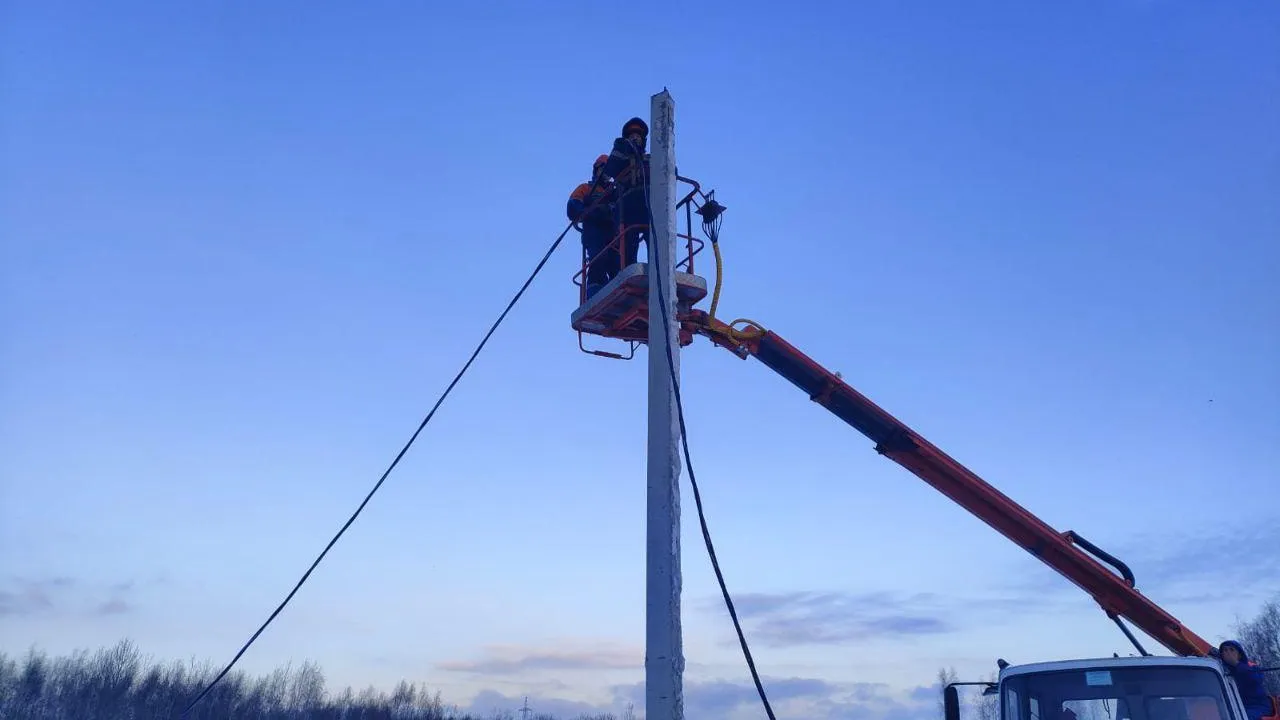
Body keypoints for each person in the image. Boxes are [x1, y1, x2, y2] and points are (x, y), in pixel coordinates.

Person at [600, 116, 650, 272]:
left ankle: (660, 265)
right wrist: (622, 146)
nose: (635, 138)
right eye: (631, 136)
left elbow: (670, 173)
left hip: (649, 204)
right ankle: (629, 268)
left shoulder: (651, 159)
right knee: (629, 242)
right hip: (628, 206)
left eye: (638, 136)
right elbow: (609, 170)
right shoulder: (621, 156)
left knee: (656, 239)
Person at [567, 154, 617, 299]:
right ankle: (594, 290)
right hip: (594, 230)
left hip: (612, 231)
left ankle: (614, 287)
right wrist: (588, 211)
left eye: (608, 171)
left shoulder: (614, 191)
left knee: (616, 261)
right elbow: (572, 205)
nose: (605, 174)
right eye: (602, 169)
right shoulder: (586, 189)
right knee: (598, 257)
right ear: (596, 171)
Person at [1215, 640, 1270, 720]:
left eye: (1231, 650)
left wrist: (1236, 664)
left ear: (1239, 654)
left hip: (1256, 706)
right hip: (1232, 706)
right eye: (1225, 650)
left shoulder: (1251, 667)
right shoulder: (1220, 670)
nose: (1228, 652)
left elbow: (1255, 680)